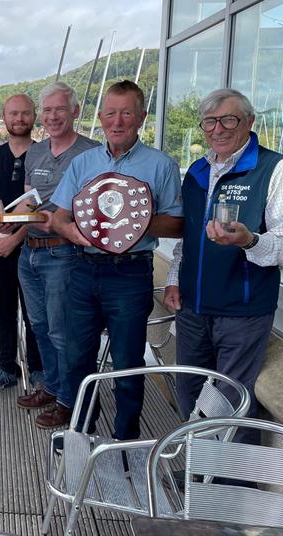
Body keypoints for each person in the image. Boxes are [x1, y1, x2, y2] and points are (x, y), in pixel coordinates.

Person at [163, 88, 283, 444]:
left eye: (229, 119)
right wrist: (175, 279)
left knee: (234, 404)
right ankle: (199, 474)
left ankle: (233, 490)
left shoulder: (274, 168)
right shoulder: (196, 171)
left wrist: (248, 241)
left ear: (249, 122)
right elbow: (188, 240)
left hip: (242, 312)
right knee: (191, 394)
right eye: (210, 121)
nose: (218, 129)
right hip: (193, 307)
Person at [51, 80, 183, 439]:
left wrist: (134, 221)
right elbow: (59, 217)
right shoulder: (83, 162)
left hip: (129, 273)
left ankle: (125, 439)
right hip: (82, 268)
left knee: (127, 363)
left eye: (126, 112)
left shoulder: (161, 165)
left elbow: (177, 223)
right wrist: (73, 232)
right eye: (110, 113)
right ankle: (81, 434)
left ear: (141, 117)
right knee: (78, 358)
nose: (117, 121)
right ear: (100, 117)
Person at [15, 82, 100, 429]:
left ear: (75, 112)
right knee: (39, 326)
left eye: (59, 109)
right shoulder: (35, 152)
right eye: (47, 110)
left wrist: (58, 224)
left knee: (63, 330)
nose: (52, 116)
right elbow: (28, 199)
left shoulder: (91, 153)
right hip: (29, 252)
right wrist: (11, 219)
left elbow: (96, 211)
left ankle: (70, 400)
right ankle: (52, 385)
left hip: (63, 253)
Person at [0, 94, 44, 395]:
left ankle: (38, 371)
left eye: (25, 114)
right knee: (3, 309)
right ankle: (6, 368)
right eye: (13, 114)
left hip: (34, 248)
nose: (19, 119)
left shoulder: (45, 156)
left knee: (34, 313)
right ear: (4, 117)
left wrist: (16, 238)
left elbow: (46, 208)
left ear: (34, 116)